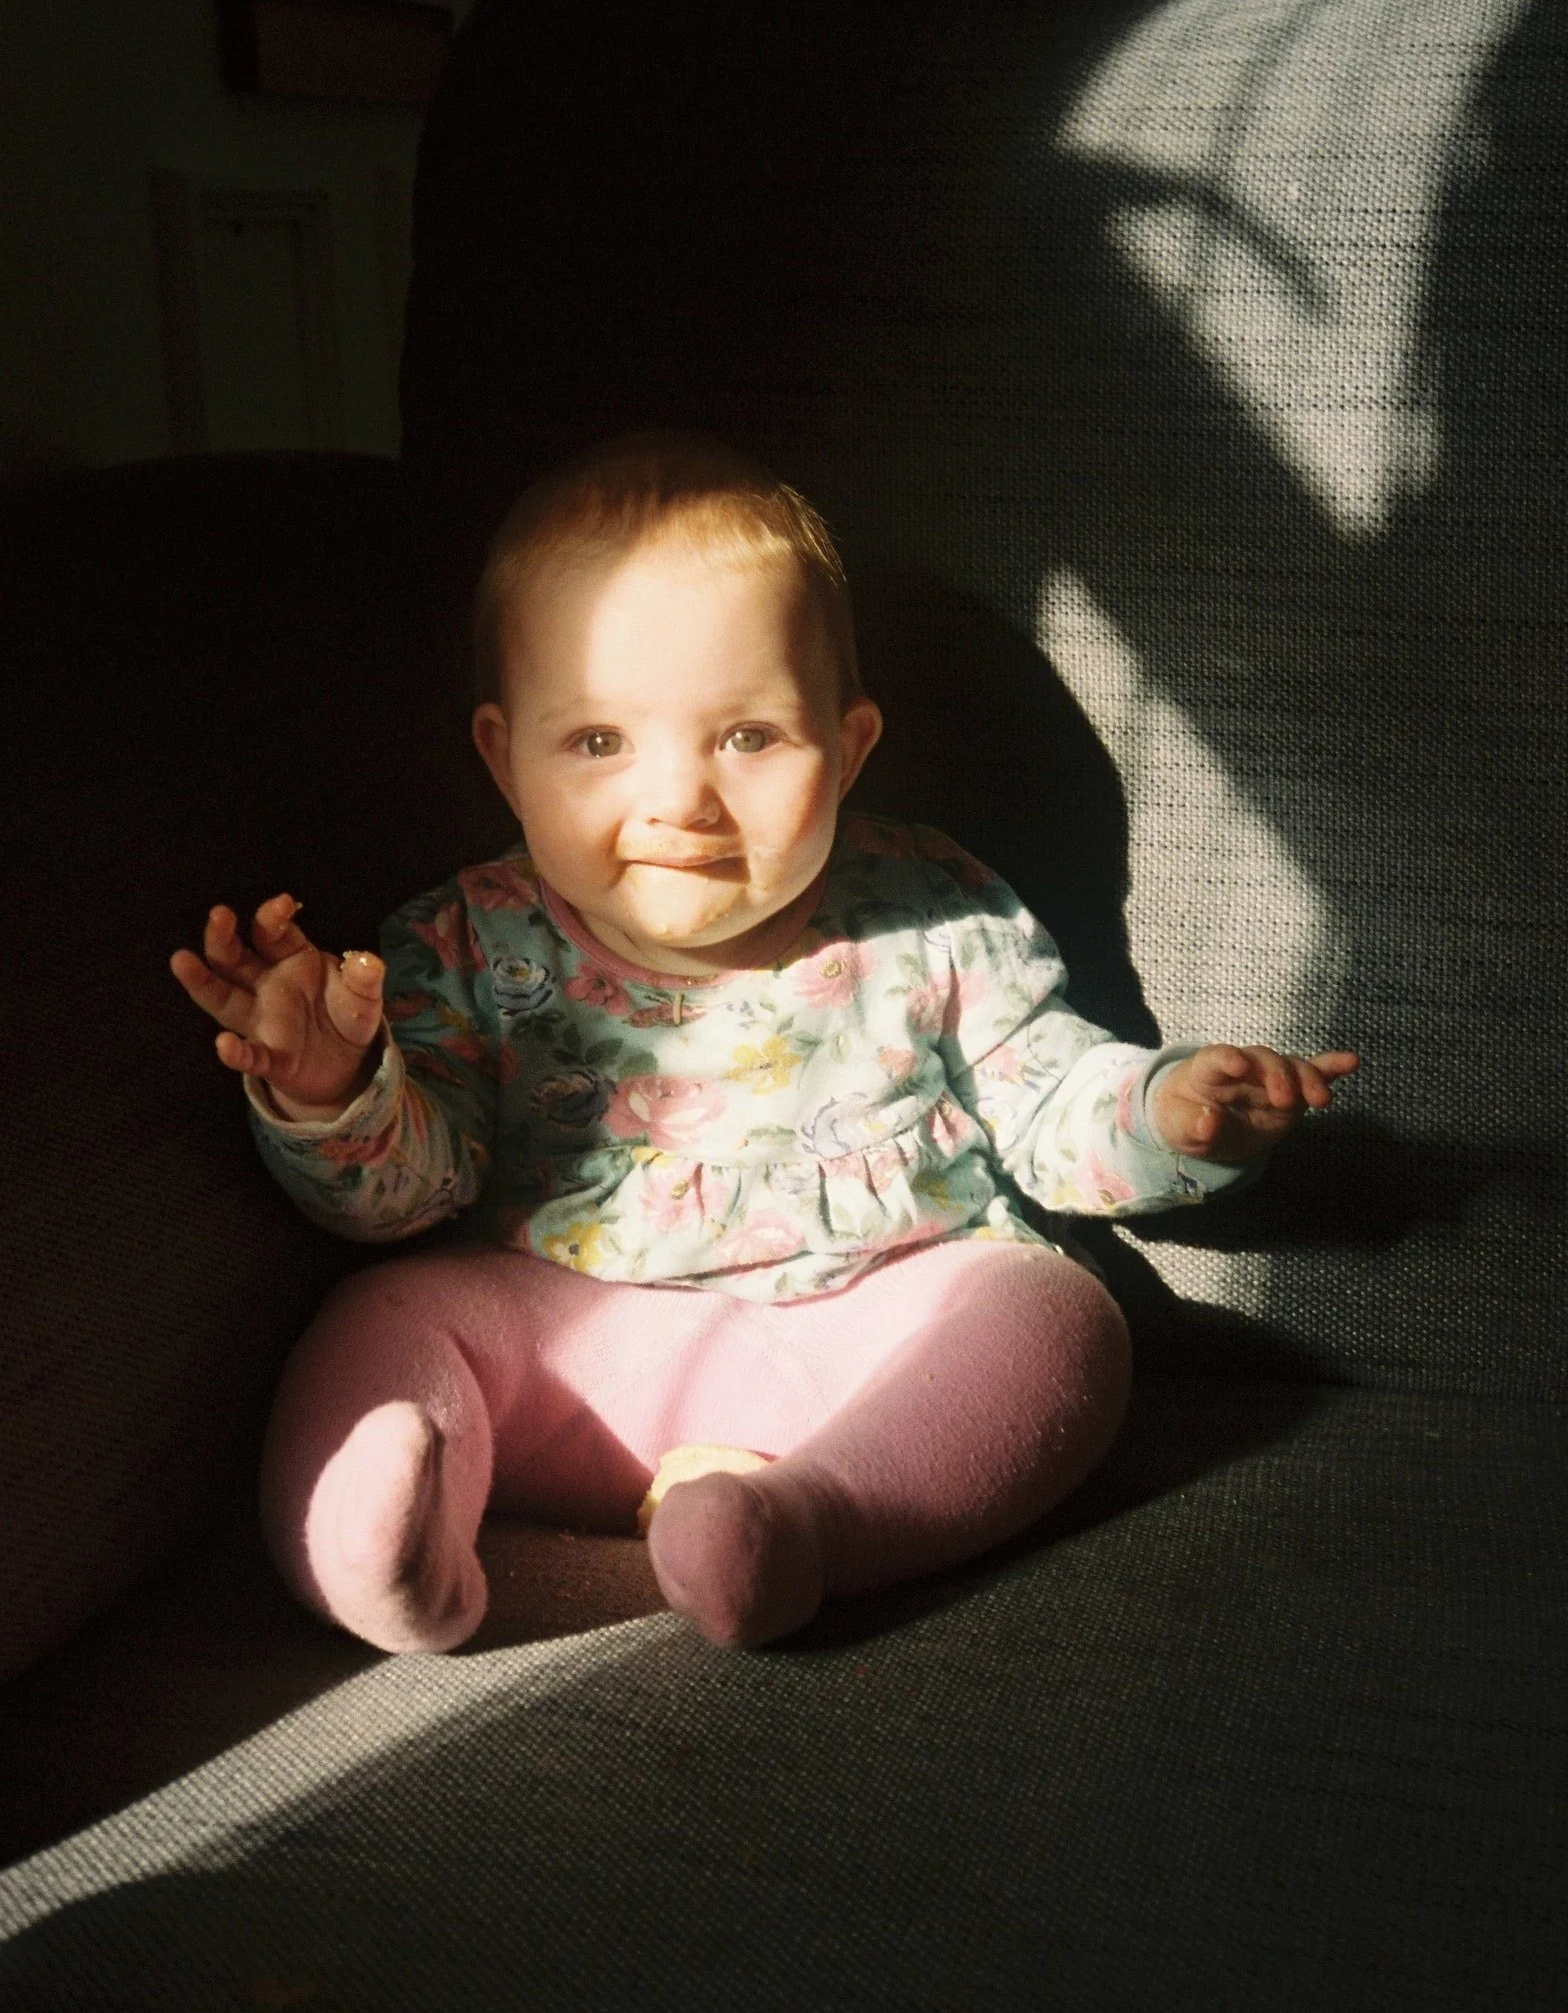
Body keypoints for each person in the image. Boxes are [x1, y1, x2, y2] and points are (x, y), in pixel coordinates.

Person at [170, 435, 1358, 1653]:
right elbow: (411, 1192)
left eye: (746, 737)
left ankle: (800, 1525)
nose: (680, 799)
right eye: (597, 742)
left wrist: (1168, 1115)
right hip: (579, 1353)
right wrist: (333, 1085)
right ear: (504, 755)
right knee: (385, 1317)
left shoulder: (930, 906)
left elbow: (1046, 1095)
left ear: (847, 747)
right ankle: (383, 1545)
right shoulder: (467, 939)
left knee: (1058, 1319)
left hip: (878, 1348)